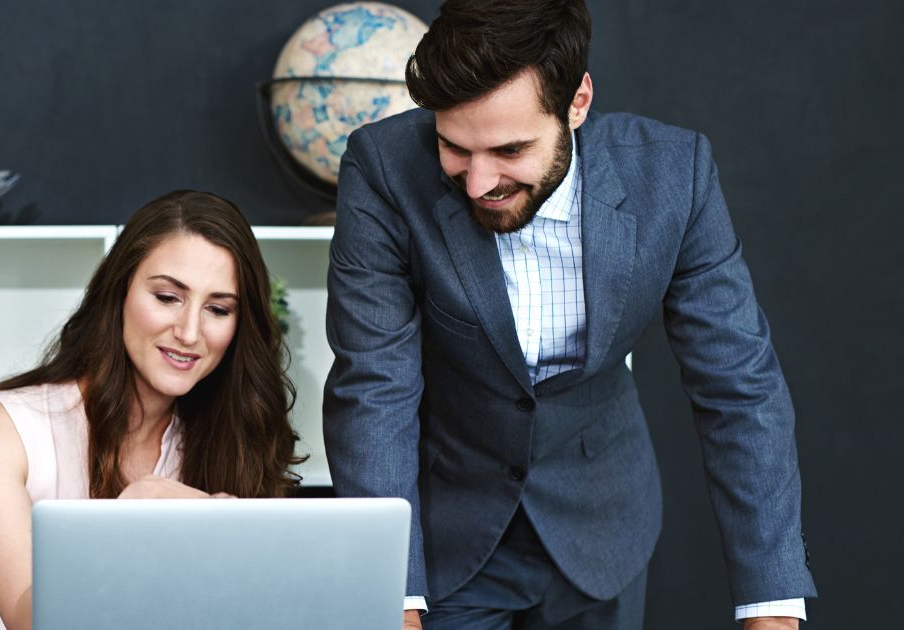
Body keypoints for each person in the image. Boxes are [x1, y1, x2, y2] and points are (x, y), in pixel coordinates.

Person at [322, 1, 815, 629]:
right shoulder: (383, 169)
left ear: (577, 103)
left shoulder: (673, 176)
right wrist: (391, 593)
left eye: (510, 150)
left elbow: (738, 388)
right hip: (449, 535)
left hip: (605, 526)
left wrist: (770, 604)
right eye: (454, 147)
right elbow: (374, 387)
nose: (477, 183)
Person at [0, 190, 304, 630]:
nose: (188, 332)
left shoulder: (229, 439)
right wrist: (131, 522)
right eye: (167, 297)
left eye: (218, 309)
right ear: (119, 291)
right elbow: (29, 621)